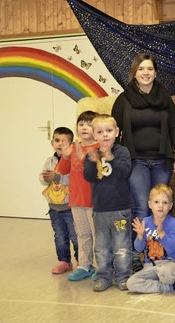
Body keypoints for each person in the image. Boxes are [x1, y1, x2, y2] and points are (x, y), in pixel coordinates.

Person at [111, 53, 175, 272]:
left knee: (160, 208)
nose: (145, 73)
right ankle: (136, 254)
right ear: (134, 73)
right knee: (142, 207)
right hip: (136, 161)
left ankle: (157, 253)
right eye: (141, 69)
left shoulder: (164, 97)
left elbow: (174, 127)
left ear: (155, 72)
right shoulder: (124, 99)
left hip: (162, 160)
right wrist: (112, 155)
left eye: (150, 69)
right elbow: (114, 129)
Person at [83, 114, 132, 292]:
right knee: (102, 247)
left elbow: (125, 172)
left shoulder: (122, 152)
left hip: (120, 209)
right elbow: (88, 176)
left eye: (109, 131)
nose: (105, 135)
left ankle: (123, 276)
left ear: (117, 132)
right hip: (100, 210)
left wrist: (110, 156)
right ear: (94, 135)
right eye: (100, 132)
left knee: (122, 247)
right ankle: (103, 276)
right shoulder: (91, 154)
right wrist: (94, 161)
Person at [57, 110, 100, 281]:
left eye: (89, 124)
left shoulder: (98, 148)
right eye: (81, 124)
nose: (84, 127)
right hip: (76, 201)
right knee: (82, 234)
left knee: (97, 234)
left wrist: (83, 157)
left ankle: (100, 266)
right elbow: (62, 171)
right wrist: (66, 157)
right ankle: (84, 265)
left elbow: (97, 171)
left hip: (93, 201)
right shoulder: (73, 147)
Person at [127, 184, 175, 294]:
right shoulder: (145, 221)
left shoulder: (173, 223)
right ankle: (168, 287)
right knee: (131, 283)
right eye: (156, 202)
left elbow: (171, 249)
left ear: (170, 206)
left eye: (165, 203)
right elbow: (139, 248)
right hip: (150, 265)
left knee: (166, 271)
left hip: (169, 263)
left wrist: (162, 234)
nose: (161, 206)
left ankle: (165, 280)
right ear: (150, 204)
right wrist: (140, 236)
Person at [39, 126, 78, 274]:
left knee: (75, 236)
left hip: (70, 207)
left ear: (72, 145)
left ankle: (81, 260)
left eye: (64, 141)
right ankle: (64, 261)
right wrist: (44, 178)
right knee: (60, 236)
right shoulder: (49, 161)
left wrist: (56, 177)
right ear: (52, 143)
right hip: (54, 207)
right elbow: (43, 179)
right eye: (57, 140)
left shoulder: (73, 160)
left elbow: (72, 179)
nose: (60, 144)